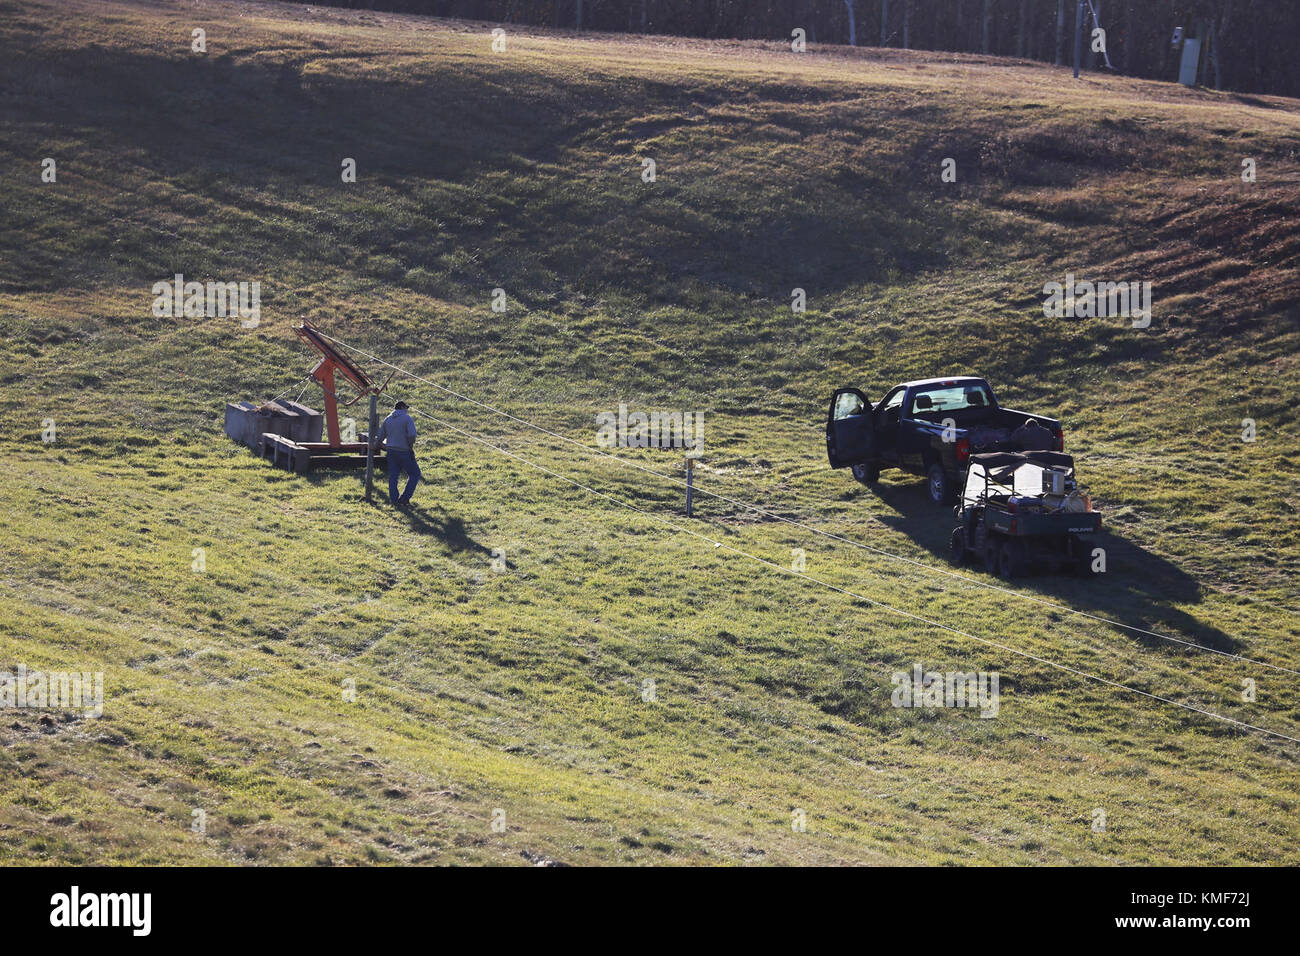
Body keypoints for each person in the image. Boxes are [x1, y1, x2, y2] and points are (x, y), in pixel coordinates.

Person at [374, 400, 420, 506]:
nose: (407, 410)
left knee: (393, 476)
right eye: (406, 408)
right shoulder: (407, 418)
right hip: (404, 451)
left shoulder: (388, 419)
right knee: (415, 474)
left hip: (390, 451)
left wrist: (375, 446)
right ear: (402, 407)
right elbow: (412, 435)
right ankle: (405, 498)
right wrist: (410, 446)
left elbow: (380, 436)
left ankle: (394, 500)